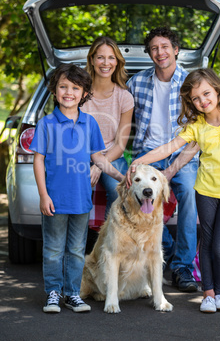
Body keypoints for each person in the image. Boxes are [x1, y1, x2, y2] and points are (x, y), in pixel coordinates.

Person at [127, 67, 220, 313]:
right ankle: (208, 295)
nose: (202, 101)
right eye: (195, 98)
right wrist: (139, 162)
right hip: (205, 191)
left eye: (206, 94)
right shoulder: (197, 125)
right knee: (206, 243)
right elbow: (168, 148)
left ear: (217, 90)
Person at [30, 63, 124, 314]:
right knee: (52, 249)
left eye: (75, 87)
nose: (68, 92)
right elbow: (38, 160)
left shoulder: (90, 123)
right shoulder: (47, 124)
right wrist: (43, 194)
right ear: (54, 90)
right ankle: (53, 292)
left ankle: (72, 293)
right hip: (54, 200)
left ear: (84, 93)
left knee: (75, 249)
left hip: (81, 200)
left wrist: (120, 176)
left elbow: (99, 158)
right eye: (63, 86)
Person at [127, 27, 200, 292]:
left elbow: (197, 137)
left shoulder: (192, 83)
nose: (160, 52)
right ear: (150, 54)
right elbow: (119, 110)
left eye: (165, 46)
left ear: (176, 49)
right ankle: (166, 246)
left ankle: (182, 268)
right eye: (155, 48)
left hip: (183, 156)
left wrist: (171, 169)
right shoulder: (136, 82)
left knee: (190, 194)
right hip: (147, 155)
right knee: (129, 195)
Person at [81, 36, 134, 218]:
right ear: (92, 60)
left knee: (118, 190)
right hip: (80, 154)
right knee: (79, 189)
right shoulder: (79, 92)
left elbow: (120, 145)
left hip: (111, 155)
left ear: (117, 61)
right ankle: (78, 242)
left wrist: (99, 165)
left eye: (111, 57)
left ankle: (111, 240)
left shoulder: (124, 97)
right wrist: (94, 162)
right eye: (100, 57)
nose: (106, 63)